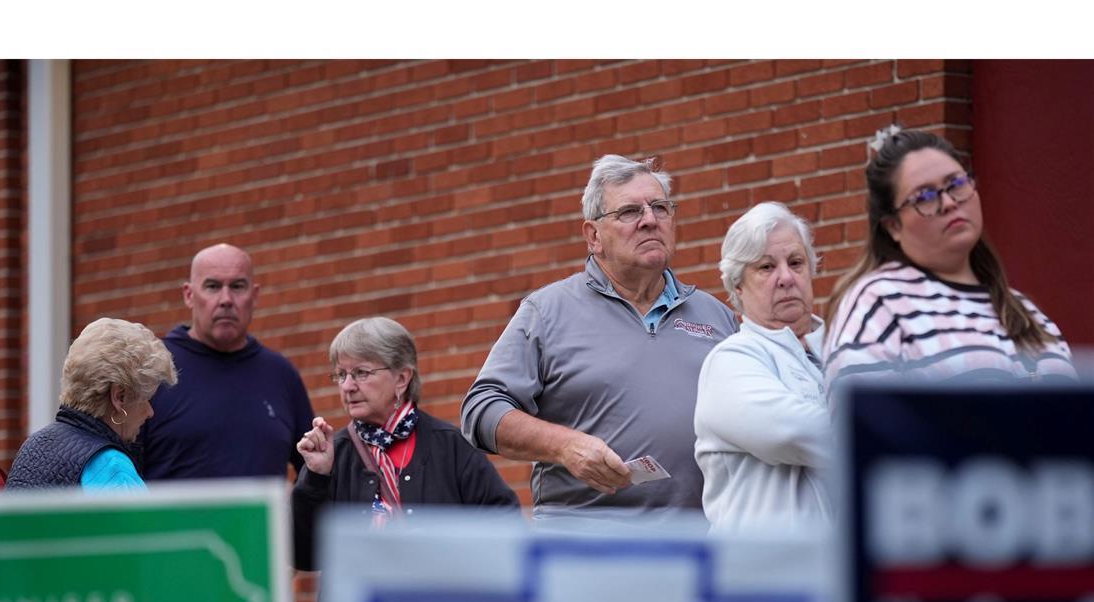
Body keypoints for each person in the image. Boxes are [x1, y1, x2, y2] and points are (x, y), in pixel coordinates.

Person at [461, 154, 739, 525]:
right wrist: (565, 446)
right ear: (593, 236)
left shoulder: (715, 317)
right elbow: (480, 411)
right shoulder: (548, 311)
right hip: (584, 548)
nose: (650, 220)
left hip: (696, 545)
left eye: (660, 207)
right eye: (629, 212)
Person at [824, 128, 1076, 393]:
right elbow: (860, 427)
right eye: (924, 197)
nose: (948, 203)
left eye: (956, 184)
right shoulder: (879, 303)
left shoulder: (1028, 313)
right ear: (893, 226)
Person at [291, 317, 519, 571]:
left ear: (402, 378)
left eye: (361, 373)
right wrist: (315, 477)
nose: (347, 386)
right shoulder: (335, 453)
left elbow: (504, 524)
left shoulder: (449, 445)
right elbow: (304, 556)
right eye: (341, 374)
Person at [693, 202, 831, 527]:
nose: (786, 278)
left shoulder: (845, 349)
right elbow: (796, 433)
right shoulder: (731, 361)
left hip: (845, 571)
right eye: (766, 267)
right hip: (761, 573)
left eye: (796, 262)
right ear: (737, 286)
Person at [138, 243, 314, 480]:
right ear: (189, 295)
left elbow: (314, 473)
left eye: (238, 286)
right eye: (212, 286)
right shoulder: (151, 368)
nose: (226, 299)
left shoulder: (281, 374)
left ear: (255, 295)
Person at [5, 318, 177, 490]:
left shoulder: (35, 445)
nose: (150, 412)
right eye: (146, 398)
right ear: (119, 397)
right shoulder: (113, 469)